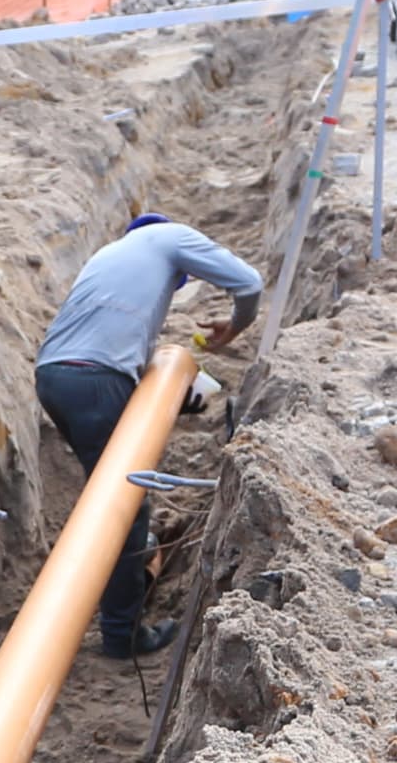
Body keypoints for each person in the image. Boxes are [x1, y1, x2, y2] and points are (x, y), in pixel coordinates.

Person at [28, 213, 255, 659]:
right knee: (125, 505)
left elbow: (114, 351)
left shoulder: (108, 262)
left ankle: (127, 568)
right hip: (94, 382)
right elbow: (249, 284)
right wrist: (235, 328)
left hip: (54, 377)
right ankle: (121, 634)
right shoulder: (169, 237)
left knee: (105, 492)